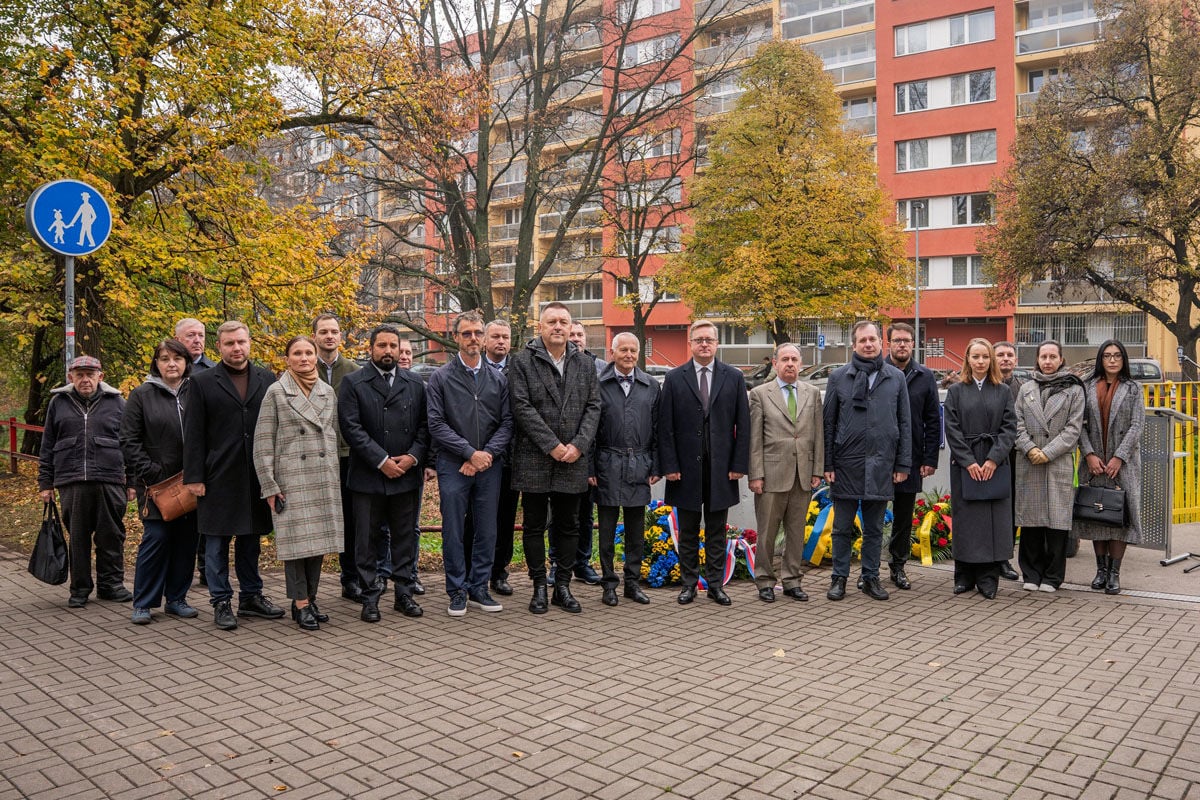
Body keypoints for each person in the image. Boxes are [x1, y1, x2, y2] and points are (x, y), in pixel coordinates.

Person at [183, 321, 284, 630]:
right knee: (215, 543)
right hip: (217, 475)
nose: (236, 348)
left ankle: (251, 596)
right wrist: (194, 476)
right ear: (220, 347)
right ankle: (221, 601)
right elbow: (194, 432)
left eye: (241, 342)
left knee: (251, 540)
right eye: (230, 344)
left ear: (249, 343)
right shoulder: (201, 382)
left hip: (256, 476)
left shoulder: (267, 379)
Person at [508, 302, 601, 614]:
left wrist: (578, 445)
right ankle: (538, 587)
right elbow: (521, 407)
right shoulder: (522, 362)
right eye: (552, 322)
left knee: (569, 525)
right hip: (535, 457)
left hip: (573, 458)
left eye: (563, 321)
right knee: (534, 525)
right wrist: (552, 444)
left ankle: (562, 585)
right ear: (541, 327)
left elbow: (593, 407)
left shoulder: (585, 364)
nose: (558, 327)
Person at [338, 325, 429, 622]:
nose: (388, 351)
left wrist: (413, 457)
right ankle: (370, 597)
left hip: (406, 474)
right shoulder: (353, 382)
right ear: (371, 349)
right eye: (382, 346)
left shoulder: (415, 383)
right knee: (366, 541)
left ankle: (404, 594)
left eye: (393, 345)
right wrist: (381, 460)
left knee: (404, 538)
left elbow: (425, 427)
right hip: (368, 474)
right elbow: (351, 427)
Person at [253, 335, 343, 631]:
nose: (304, 358)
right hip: (291, 478)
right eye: (297, 353)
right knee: (296, 546)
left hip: (321, 475)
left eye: (308, 352)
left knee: (318, 543)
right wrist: (269, 485)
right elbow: (263, 442)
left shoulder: (327, 391)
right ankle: (301, 602)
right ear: (287, 358)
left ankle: (310, 598)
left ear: (316, 356)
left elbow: (331, 433)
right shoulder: (277, 392)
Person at [426, 311, 513, 617]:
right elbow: (436, 424)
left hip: (490, 465)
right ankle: (457, 589)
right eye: (467, 333)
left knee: (487, 529)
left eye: (478, 332)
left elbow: (507, 423)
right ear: (456, 338)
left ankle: (479, 587)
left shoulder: (498, 379)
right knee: (453, 529)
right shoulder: (441, 378)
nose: (473, 338)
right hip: (453, 465)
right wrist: (467, 453)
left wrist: (484, 455)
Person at [659, 320, 750, 606]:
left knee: (716, 530)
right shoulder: (674, 378)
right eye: (699, 340)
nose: (704, 344)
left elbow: (743, 425)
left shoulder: (733, 377)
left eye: (709, 340)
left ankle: (715, 584)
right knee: (687, 530)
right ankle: (688, 584)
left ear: (717, 343)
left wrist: (739, 464)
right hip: (684, 469)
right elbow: (666, 427)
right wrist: (669, 465)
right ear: (690, 343)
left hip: (721, 468)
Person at [822, 321, 911, 602]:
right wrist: (827, 464)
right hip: (846, 462)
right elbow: (828, 423)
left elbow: (904, 423)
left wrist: (902, 464)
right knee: (841, 528)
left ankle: (871, 577)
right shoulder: (838, 377)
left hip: (881, 463)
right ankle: (839, 578)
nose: (868, 344)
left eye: (872, 339)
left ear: (880, 343)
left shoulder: (895, 378)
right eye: (863, 340)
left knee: (874, 528)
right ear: (854, 345)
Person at [38, 355, 136, 608]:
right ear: (71, 377)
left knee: (111, 535)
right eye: (79, 374)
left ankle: (111, 585)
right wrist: (45, 482)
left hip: (110, 478)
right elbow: (47, 444)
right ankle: (79, 588)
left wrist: (133, 480)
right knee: (78, 537)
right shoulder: (58, 403)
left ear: (100, 377)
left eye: (90, 375)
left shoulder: (117, 402)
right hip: (71, 479)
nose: (85, 379)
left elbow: (130, 443)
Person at [122, 340, 201, 624]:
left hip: (192, 481)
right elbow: (128, 440)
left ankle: (177, 598)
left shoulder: (197, 390)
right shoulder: (142, 395)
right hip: (156, 485)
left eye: (177, 358)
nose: (171, 364)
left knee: (186, 540)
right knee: (156, 539)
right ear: (156, 363)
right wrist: (150, 471)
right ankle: (143, 602)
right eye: (165, 358)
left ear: (186, 362)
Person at [943, 339, 1018, 600]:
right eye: (975, 356)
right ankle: (963, 575)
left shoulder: (1003, 391)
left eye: (985, 357)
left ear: (991, 360)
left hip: (994, 462)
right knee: (967, 520)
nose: (980, 362)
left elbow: (1010, 428)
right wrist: (969, 462)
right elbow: (951, 429)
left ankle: (988, 578)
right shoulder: (956, 390)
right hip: (966, 464)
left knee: (992, 523)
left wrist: (993, 459)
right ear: (967, 359)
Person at [747, 343, 823, 602]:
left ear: (801, 364)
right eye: (785, 360)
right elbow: (754, 439)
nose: (790, 364)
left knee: (795, 531)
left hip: (803, 474)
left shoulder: (812, 393)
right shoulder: (759, 394)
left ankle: (792, 580)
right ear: (775, 364)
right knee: (767, 531)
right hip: (770, 475)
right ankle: (765, 580)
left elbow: (818, 435)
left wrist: (817, 470)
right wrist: (755, 474)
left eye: (794, 359)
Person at [589, 332, 659, 607]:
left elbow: (658, 428)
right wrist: (589, 467)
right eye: (623, 350)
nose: (628, 355)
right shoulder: (598, 384)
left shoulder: (651, 385)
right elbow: (590, 429)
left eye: (633, 350)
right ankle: (608, 584)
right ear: (612, 352)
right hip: (606, 464)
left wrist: (656, 463)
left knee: (635, 530)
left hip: (639, 465)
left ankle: (632, 582)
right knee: (606, 530)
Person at [1073, 339, 1144, 595]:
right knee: (1097, 516)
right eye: (1107, 356)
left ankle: (1115, 573)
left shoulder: (1134, 388)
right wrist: (1089, 454)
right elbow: (1078, 424)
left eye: (1117, 356)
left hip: (1121, 465)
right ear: (1100, 359)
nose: (1112, 360)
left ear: (1124, 359)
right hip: (1094, 464)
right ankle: (1100, 571)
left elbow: (1136, 426)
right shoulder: (1087, 386)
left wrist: (1119, 457)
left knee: (1119, 517)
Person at [1014, 339, 1085, 593]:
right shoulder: (1026, 388)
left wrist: (1047, 452)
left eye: (1052, 357)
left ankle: (1053, 576)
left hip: (1057, 463)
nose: (1047, 361)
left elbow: (1073, 429)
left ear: (1061, 359)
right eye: (1043, 357)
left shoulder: (1074, 389)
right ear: (1037, 359)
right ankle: (1030, 573)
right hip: (1030, 461)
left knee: (1056, 522)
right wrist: (1030, 448)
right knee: (1031, 522)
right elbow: (1017, 423)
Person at [312, 313, 367, 603]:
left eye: (334, 331)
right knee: (318, 519)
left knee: (351, 520)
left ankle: (351, 578)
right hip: (315, 456)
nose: (329, 336)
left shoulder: (354, 370)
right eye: (324, 331)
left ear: (341, 337)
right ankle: (309, 587)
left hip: (347, 455)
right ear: (315, 337)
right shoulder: (305, 367)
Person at [884, 323, 940, 590]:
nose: (902, 345)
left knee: (903, 518)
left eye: (907, 340)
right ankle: (869, 568)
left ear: (913, 344)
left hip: (911, 458)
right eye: (897, 341)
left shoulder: (925, 376)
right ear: (889, 344)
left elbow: (932, 419)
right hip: (879, 457)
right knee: (872, 514)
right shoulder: (877, 371)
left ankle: (898, 566)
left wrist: (930, 459)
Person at [546, 322, 603, 586]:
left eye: (581, 335)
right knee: (556, 516)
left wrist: (586, 454)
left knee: (585, 515)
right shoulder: (556, 366)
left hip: (588, 453)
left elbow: (597, 412)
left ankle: (583, 562)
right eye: (573, 334)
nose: (576, 338)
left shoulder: (598, 367)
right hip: (557, 454)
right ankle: (556, 563)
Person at [175, 317, 214, 587]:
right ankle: (178, 573)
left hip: (205, 456)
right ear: (178, 340)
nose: (197, 340)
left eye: (201, 335)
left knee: (205, 518)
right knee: (178, 517)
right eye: (190, 335)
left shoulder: (212, 371)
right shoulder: (169, 368)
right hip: (172, 455)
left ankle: (205, 570)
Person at [993, 341, 1025, 582]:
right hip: (988, 457)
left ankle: (1004, 558)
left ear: (1015, 360)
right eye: (1000, 355)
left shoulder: (1024, 388)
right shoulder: (985, 386)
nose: (1005, 359)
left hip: (1015, 457)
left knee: (1011, 509)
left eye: (1009, 355)